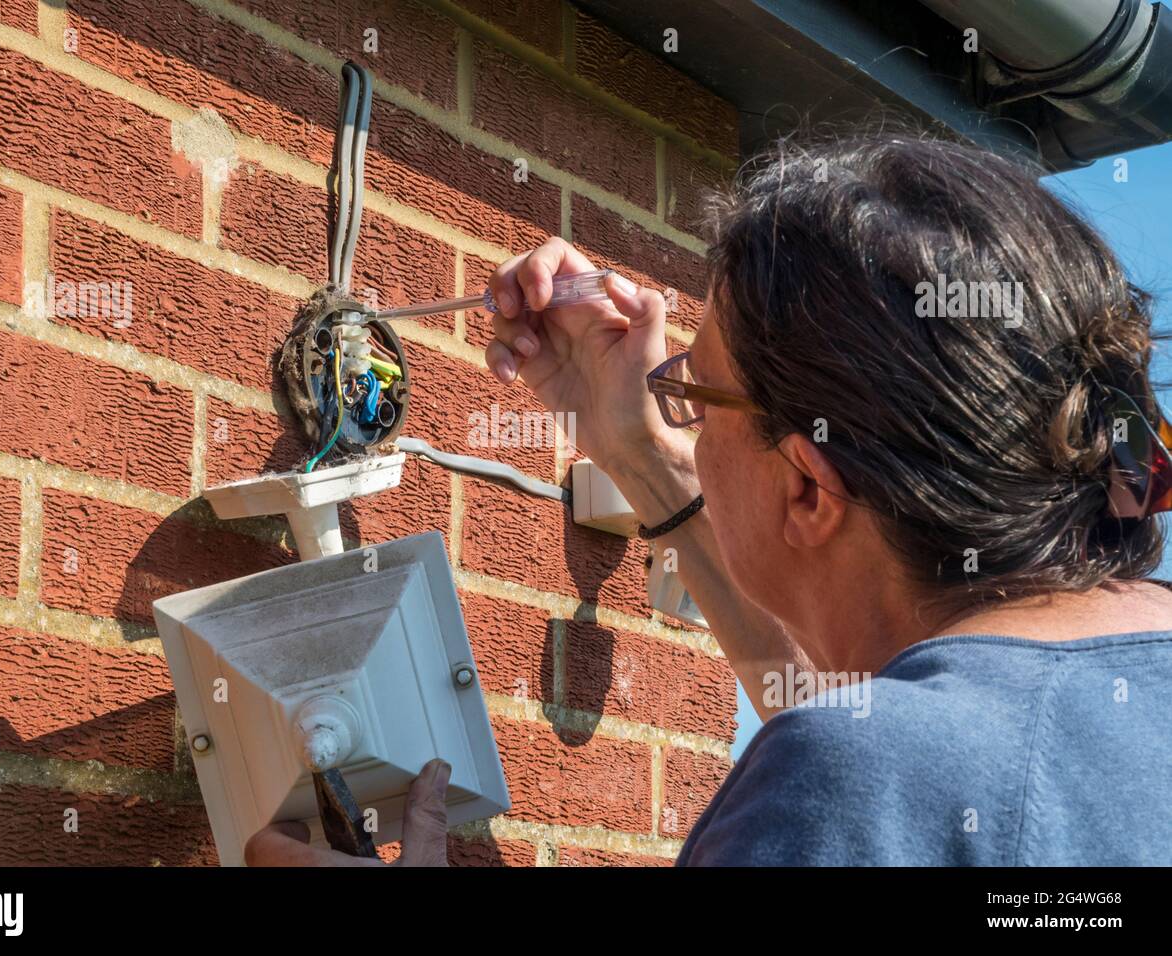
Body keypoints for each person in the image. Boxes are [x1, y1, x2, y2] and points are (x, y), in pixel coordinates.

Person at [247, 131, 1172, 866]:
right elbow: (911, 736)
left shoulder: (853, 782)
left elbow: (883, 768)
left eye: (695, 393)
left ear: (809, 487)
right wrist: (644, 451)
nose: (676, 406)